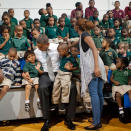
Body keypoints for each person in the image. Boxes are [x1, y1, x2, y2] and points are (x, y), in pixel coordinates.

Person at [35, 34, 77, 131]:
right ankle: (47, 119)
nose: (39, 49)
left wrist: (70, 67)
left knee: (72, 87)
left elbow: (68, 55)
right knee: (42, 87)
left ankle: (69, 118)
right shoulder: (36, 51)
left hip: (59, 72)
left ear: (48, 44)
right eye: (38, 46)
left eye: (41, 47)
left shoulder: (57, 48)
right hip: (46, 73)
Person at [75, 18, 107, 130]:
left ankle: (97, 122)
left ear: (77, 27)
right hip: (96, 66)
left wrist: (96, 67)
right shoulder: (84, 35)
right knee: (98, 93)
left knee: (94, 94)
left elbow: (94, 49)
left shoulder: (84, 35)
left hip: (94, 67)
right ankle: (97, 119)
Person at [52, 43, 78, 111]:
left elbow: (76, 67)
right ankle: (55, 103)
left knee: (65, 87)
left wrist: (71, 69)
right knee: (55, 86)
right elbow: (66, 46)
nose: (59, 53)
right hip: (59, 72)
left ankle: (64, 103)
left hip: (66, 74)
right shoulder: (63, 55)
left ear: (66, 50)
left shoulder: (71, 58)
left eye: (60, 51)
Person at [111, 57, 131, 122]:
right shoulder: (114, 71)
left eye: (117, 62)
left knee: (130, 90)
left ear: (123, 65)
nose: (116, 64)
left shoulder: (128, 71)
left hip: (125, 86)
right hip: (117, 86)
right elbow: (111, 79)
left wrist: (129, 82)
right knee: (117, 94)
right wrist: (114, 82)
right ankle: (120, 109)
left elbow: (129, 80)